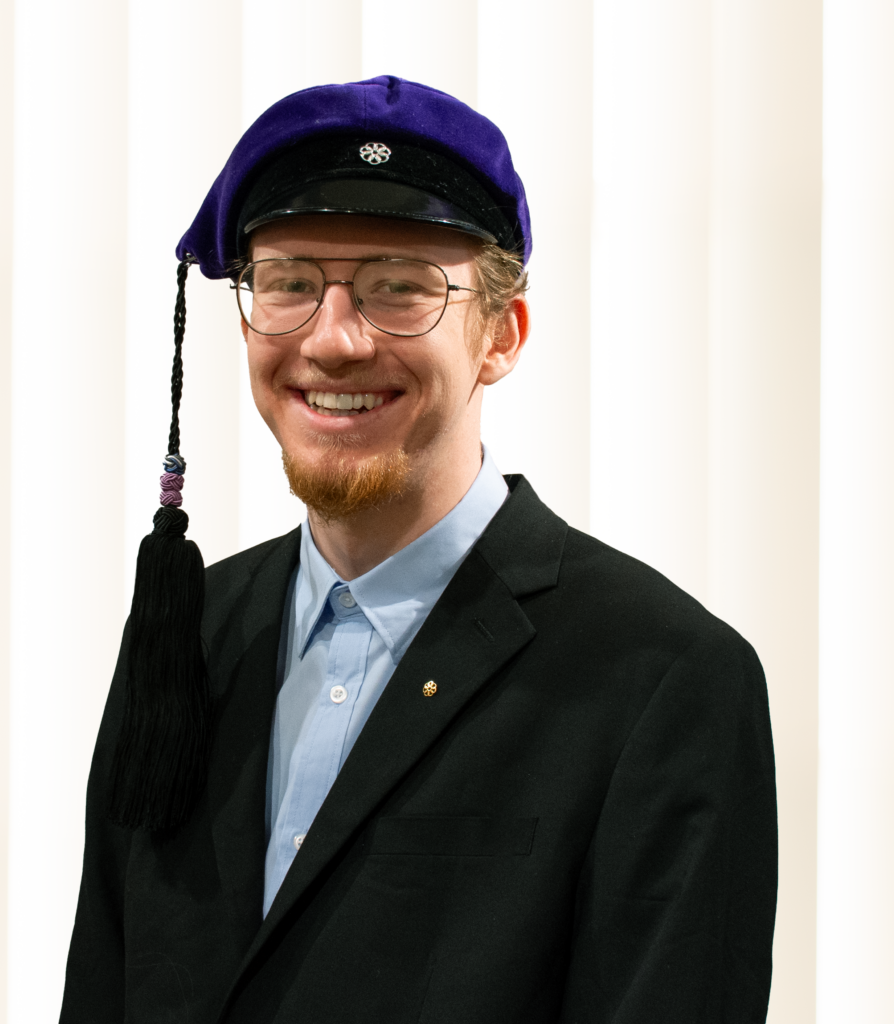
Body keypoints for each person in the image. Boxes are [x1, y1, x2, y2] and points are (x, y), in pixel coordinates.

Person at [59, 76, 777, 1024]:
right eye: (289, 283)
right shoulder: (185, 636)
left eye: (399, 287)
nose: (333, 341)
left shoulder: (663, 682)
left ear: (501, 335)